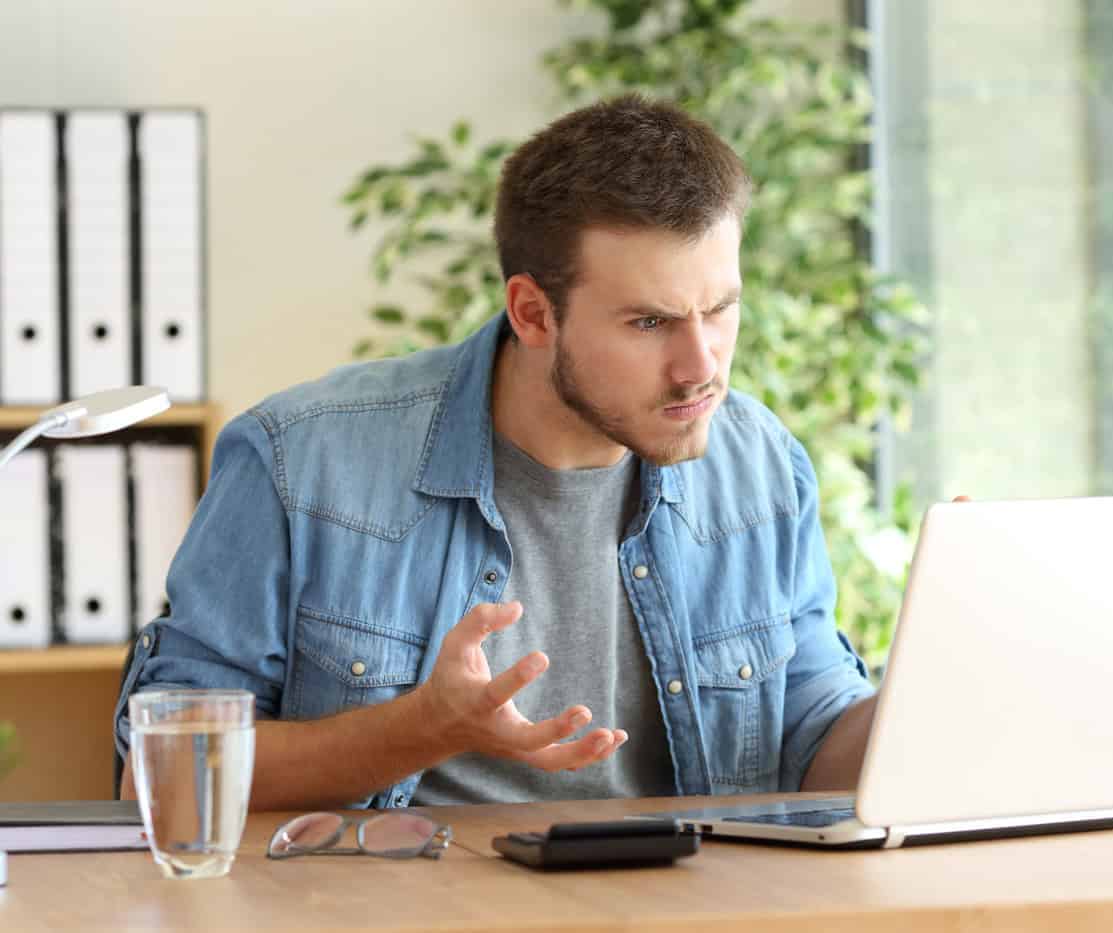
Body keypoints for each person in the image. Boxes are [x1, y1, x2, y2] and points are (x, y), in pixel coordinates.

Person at [115, 94, 878, 812]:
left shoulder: (763, 469)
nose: (701, 364)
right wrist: (420, 728)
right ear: (533, 312)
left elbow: (815, 742)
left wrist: (940, 696)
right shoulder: (301, 463)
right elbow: (162, 776)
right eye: (650, 323)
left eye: (720, 309)